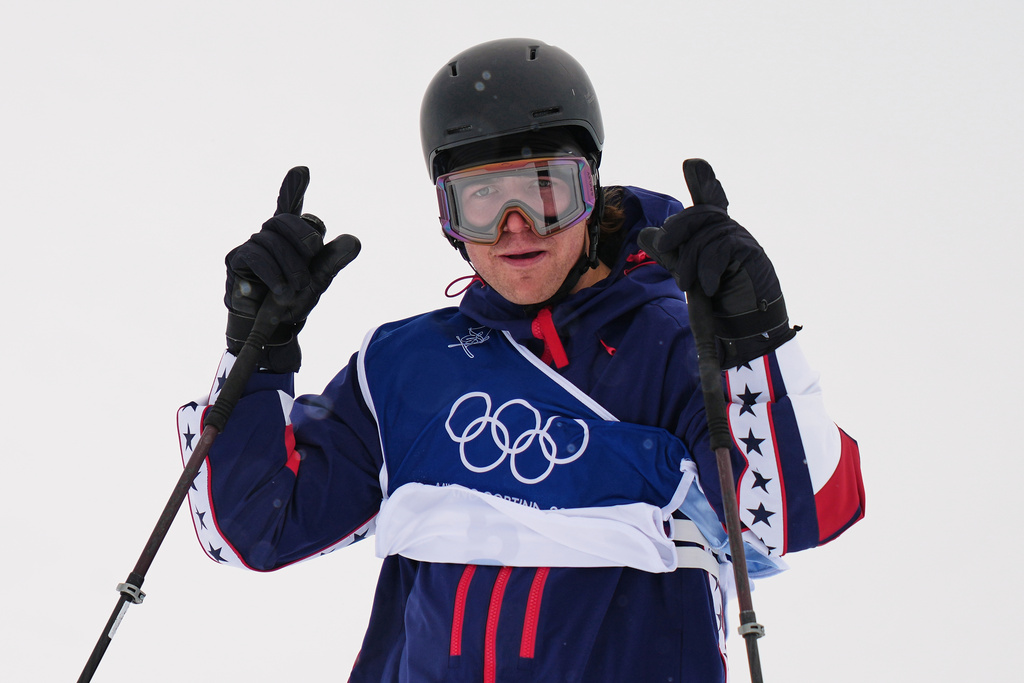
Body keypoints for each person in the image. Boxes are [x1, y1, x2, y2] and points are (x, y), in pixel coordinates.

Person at [177, 38, 865, 683]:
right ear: (448, 218)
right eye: (480, 198)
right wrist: (257, 357)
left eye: (543, 188)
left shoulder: (678, 347)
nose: (515, 226)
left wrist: (755, 339)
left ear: (590, 190)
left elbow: (799, 516)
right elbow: (251, 526)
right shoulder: (405, 365)